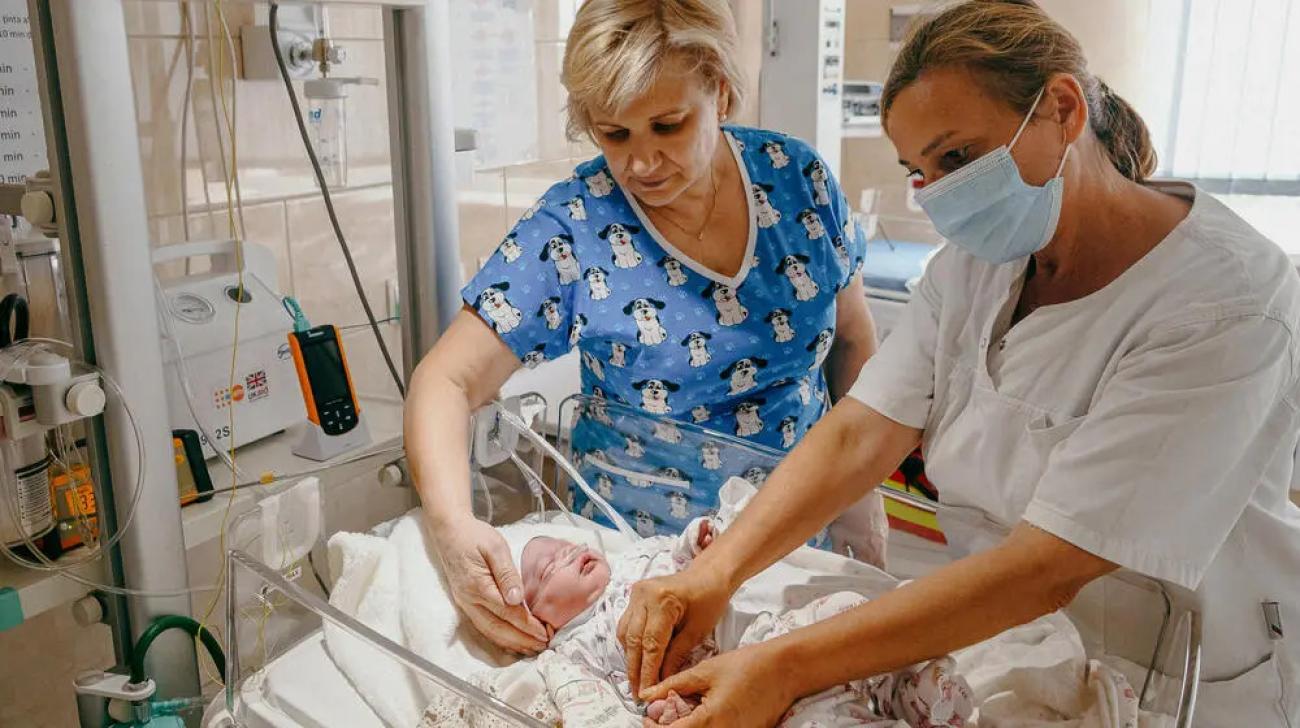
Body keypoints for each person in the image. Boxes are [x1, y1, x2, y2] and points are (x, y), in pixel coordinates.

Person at [616, 1, 1300, 725]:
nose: (939, 193)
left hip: (1183, 672)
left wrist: (783, 666)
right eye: (920, 171)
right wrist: (713, 573)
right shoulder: (978, 266)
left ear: (1062, 109)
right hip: (1014, 650)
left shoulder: (1225, 307)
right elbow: (860, 432)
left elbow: (1048, 566)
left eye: (957, 158)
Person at [404, 0, 887, 657]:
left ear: (719, 88)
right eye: (614, 134)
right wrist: (453, 530)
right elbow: (446, 378)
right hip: (634, 568)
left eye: (668, 124)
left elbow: (853, 342)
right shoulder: (578, 224)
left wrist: (863, 490)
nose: (642, 163)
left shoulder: (796, 180)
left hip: (796, 543)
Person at [517, 501, 973, 727]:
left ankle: (914, 691)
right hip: (720, 693)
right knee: (814, 715)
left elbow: (688, 563)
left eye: (568, 545)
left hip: (765, 638)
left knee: (848, 612)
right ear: (539, 619)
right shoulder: (569, 651)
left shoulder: (637, 561)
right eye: (547, 567)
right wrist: (664, 711)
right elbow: (591, 708)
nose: (569, 551)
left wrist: (702, 542)